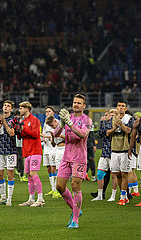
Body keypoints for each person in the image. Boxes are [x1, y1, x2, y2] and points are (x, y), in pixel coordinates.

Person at [55, 94, 92, 229]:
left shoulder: (87, 120)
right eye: (74, 102)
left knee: (75, 187)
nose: (75, 104)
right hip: (66, 157)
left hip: (79, 158)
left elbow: (82, 134)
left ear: (84, 106)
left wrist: (69, 123)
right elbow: (55, 134)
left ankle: (75, 219)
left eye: (79, 103)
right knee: (59, 186)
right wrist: (62, 123)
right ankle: (76, 209)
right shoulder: (67, 117)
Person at [16, 101, 45, 207]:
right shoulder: (23, 121)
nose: (19, 110)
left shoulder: (35, 120)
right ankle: (31, 199)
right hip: (27, 151)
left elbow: (36, 134)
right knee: (29, 175)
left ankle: (41, 198)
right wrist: (18, 131)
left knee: (33, 174)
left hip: (35, 150)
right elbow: (20, 137)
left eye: (21, 108)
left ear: (27, 109)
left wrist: (24, 129)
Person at [107, 101, 133, 205]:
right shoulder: (111, 119)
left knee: (124, 174)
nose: (120, 108)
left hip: (124, 150)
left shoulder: (129, 118)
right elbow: (108, 133)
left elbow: (128, 131)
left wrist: (121, 124)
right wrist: (115, 127)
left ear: (125, 109)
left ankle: (123, 197)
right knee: (116, 174)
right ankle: (125, 196)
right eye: (119, 106)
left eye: (123, 106)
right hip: (114, 150)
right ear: (116, 108)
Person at [0, 100, 17, 207]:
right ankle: (3, 196)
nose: (6, 107)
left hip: (10, 150)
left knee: (10, 174)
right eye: (4, 105)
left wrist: (4, 122)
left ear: (11, 109)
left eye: (8, 106)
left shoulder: (14, 120)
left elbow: (12, 133)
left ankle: (10, 199)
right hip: (0, 150)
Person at [91, 109, 118, 201]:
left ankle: (114, 196)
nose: (109, 116)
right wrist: (102, 122)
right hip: (105, 152)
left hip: (114, 152)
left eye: (111, 114)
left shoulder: (116, 124)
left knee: (114, 175)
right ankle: (100, 195)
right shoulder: (106, 124)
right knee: (100, 174)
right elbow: (100, 134)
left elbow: (108, 133)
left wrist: (105, 122)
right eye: (108, 114)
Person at [46, 115, 65, 198]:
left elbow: (68, 138)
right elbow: (53, 145)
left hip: (65, 149)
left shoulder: (63, 127)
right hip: (57, 149)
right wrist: (53, 137)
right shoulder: (53, 130)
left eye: (52, 125)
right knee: (58, 170)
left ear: (55, 121)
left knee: (66, 170)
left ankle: (67, 189)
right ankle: (58, 190)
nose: (52, 127)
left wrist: (58, 135)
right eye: (50, 126)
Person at [41, 106, 57, 196]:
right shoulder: (45, 123)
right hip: (46, 148)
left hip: (53, 148)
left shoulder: (56, 122)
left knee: (53, 168)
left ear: (53, 113)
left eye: (49, 111)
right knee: (48, 168)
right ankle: (52, 188)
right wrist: (42, 138)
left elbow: (56, 135)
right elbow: (45, 134)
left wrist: (46, 136)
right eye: (46, 111)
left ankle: (56, 189)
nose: (47, 113)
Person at [85, 109, 97, 181]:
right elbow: (91, 135)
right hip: (89, 144)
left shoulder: (80, 121)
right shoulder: (89, 121)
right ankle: (93, 176)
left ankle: (84, 174)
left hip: (82, 144)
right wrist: (94, 145)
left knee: (85, 160)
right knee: (91, 159)